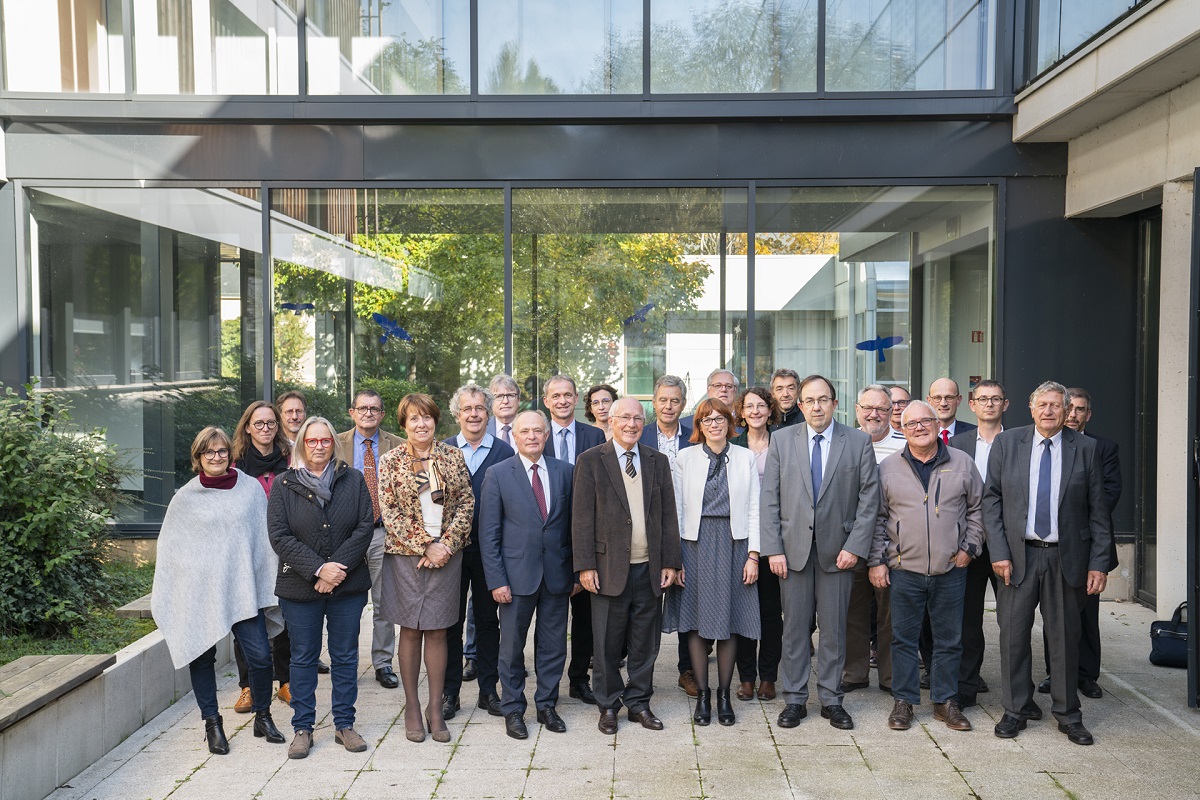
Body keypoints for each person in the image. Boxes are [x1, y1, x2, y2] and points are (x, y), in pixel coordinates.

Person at [984, 381, 1112, 746]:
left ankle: (1068, 714)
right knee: (1012, 636)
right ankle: (1015, 709)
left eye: (1057, 405)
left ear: (1068, 409)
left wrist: (1098, 563)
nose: (1049, 411)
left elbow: (1099, 513)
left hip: (1065, 557)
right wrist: (999, 552)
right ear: (1030, 407)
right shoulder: (1008, 444)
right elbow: (990, 502)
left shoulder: (1086, 449)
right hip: (1018, 556)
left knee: (1065, 638)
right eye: (1043, 404)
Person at [152, 426, 285, 756]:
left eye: (222, 451)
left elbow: (261, 540)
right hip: (200, 592)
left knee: (259, 654)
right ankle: (212, 723)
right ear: (198, 458)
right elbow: (172, 549)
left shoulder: (250, 489)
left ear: (230, 453)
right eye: (209, 452)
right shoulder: (185, 498)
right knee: (202, 657)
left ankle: (263, 716)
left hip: (242, 590)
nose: (216, 457)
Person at [760, 374, 879, 731]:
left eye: (823, 399)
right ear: (800, 405)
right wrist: (773, 550)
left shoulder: (857, 442)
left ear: (835, 403)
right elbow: (769, 500)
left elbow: (869, 501)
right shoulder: (781, 440)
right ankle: (795, 700)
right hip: (792, 554)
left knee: (834, 631)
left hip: (838, 555)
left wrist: (855, 548)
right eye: (809, 400)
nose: (816, 406)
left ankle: (830, 699)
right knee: (794, 631)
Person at [870, 400, 983, 733]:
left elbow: (978, 510)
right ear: (902, 430)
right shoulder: (888, 467)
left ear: (937, 424)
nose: (919, 428)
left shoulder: (963, 463)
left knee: (949, 639)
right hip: (904, 569)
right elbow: (878, 519)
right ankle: (903, 701)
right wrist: (878, 561)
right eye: (911, 424)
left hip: (951, 569)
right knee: (903, 640)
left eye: (925, 421)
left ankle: (945, 701)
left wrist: (969, 550)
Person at [573, 396, 681, 734]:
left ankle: (639, 703)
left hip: (649, 567)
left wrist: (670, 561)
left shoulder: (656, 461)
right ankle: (608, 705)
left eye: (637, 418)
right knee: (605, 642)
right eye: (625, 418)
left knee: (645, 642)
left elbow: (667, 515)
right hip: (607, 569)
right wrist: (585, 565)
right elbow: (581, 518)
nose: (632, 424)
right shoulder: (591, 461)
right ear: (611, 421)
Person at [267, 417, 374, 759]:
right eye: (310, 441)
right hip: (300, 587)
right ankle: (303, 728)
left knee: (344, 656)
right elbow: (279, 536)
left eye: (324, 441)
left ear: (333, 443)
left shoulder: (353, 480)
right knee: (302, 657)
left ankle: (344, 724)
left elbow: (363, 527)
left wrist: (336, 569)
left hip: (348, 585)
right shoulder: (284, 484)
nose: (317, 446)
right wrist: (318, 569)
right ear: (301, 445)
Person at [378, 393, 474, 744]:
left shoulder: (453, 455)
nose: (422, 424)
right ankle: (412, 707)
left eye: (427, 418)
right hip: (406, 556)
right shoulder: (390, 461)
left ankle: (436, 708)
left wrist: (445, 545)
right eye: (414, 419)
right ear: (403, 424)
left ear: (436, 421)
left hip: (447, 556)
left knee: (437, 630)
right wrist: (425, 545)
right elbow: (389, 511)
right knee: (411, 629)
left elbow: (466, 502)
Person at [479, 410, 574, 739]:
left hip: (557, 576)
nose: (532, 436)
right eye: (525, 431)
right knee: (512, 647)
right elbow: (488, 534)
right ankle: (513, 709)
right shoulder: (498, 474)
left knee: (553, 646)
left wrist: (574, 573)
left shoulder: (566, 472)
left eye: (538, 431)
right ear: (514, 437)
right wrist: (497, 580)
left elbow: (573, 529)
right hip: (515, 578)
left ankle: (547, 704)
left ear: (546, 436)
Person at [666, 398, 760, 726]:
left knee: (730, 619)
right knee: (695, 619)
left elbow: (754, 507)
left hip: (735, 544)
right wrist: (675, 560)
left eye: (720, 418)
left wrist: (753, 555)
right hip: (695, 544)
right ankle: (703, 696)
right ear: (700, 425)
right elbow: (676, 510)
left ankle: (724, 695)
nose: (714, 424)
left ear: (730, 422)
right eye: (708, 420)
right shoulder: (684, 458)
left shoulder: (745, 457)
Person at [1037, 387, 1122, 699]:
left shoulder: (1103, 448)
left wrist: (1073, 519)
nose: (1073, 415)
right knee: (1054, 616)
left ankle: (1086, 675)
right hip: (1050, 544)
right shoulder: (1043, 446)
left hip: (1085, 545)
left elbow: (1108, 494)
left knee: (1085, 615)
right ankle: (1054, 673)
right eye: (1069, 408)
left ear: (1089, 414)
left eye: (1080, 410)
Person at [441, 383, 514, 720]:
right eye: (467, 408)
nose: (473, 414)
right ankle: (449, 693)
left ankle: (488, 691)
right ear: (458, 414)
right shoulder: (441, 452)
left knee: (487, 622)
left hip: (489, 553)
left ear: (489, 413)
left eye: (479, 408)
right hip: (451, 553)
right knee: (449, 624)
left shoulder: (504, 452)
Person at [542, 374, 606, 706]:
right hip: (549, 540)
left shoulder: (595, 434)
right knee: (551, 618)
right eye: (556, 396)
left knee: (585, 617)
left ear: (576, 398)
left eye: (568, 395)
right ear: (546, 401)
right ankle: (547, 681)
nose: (563, 400)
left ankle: (579, 679)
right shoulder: (536, 434)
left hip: (587, 539)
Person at [334, 389, 404, 691]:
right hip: (344, 537)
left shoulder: (398, 446)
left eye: (374, 409)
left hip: (382, 533)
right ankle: (344, 661)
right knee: (344, 603)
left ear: (382, 414)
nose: (368, 413)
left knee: (384, 602)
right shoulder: (334, 444)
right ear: (352, 412)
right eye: (362, 408)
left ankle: (383, 662)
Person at [636, 374, 697, 698]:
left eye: (675, 400)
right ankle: (640, 674)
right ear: (654, 402)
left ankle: (686, 669)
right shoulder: (639, 434)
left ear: (683, 404)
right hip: (646, 530)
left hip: (688, 529)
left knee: (686, 600)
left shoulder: (696, 435)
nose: (669, 406)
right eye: (663, 399)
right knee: (645, 603)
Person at [230, 401, 294, 713]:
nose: (265, 428)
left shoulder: (291, 459)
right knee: (245, 616)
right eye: (259, 423)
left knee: (286, 616)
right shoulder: (235, 464)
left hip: (284, 550)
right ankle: (248, 688)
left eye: (270, 423)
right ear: (247, 427)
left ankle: (285, 681)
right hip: (247, 552)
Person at [949, 379, 1008, 707]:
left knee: (1011, 621)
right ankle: (966, 689)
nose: (989, 404)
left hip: (1007, 547)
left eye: (995, 399)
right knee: (967, 622)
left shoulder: (1018, 440)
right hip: (967, 546)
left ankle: (1016, 692)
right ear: (971, 404)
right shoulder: (957, 444)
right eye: (983, 399)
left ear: (1005, 404)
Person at [842, 385, 901, 697]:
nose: (873, 414)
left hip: (892, 543)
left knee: (889, 613)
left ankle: (891, 677)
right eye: (867, 408)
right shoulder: (844, 443)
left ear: (891, 412)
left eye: (881, 409)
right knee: (853, 611)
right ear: (856, 410)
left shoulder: (905, 444)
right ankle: (854, 672)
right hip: (851, 541)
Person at [730, 387, 783, 702]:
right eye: (749, 406)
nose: (755, 411)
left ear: (770, 409)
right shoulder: (733, 444)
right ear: (742, 411)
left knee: (770, 612)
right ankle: (746, 678)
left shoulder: (784, 442)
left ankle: (768, 678)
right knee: (744, 610)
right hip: (741, 537)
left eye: (760, 405)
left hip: (775, 537)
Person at [927, 378, 976, 443]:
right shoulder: (921, 433)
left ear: (958, 400)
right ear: (929, 401)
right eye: (937, 398)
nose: (943, 403)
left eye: (949, 397)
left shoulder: (974, 434)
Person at [488, 374, 521, 448]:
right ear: (491, 402)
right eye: (499, 396)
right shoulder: (482, 429)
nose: (505, 401)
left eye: (510, 395)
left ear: (518, 400)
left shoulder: (530, 427)